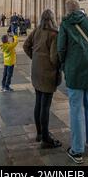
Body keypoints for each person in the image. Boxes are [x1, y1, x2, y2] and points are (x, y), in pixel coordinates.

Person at [57, 0, 88, 164]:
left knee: (76, 109)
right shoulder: (87, 20)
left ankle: (77, 150)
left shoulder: (65, 24)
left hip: (74, 69)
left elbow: (61, 48)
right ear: (79, 9)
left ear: (68, 11)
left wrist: (63, 64)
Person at [23, 9, 62, 149]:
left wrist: (35, 58)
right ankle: (46, 138)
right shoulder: (54, 34)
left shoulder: (36, 31)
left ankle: (39, 133)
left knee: (38, 103)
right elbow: (54, 57)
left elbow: (25, 46)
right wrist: (59, 66)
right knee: (45, 106)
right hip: (48, 74)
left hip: (36, 72)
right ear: (52, 19)